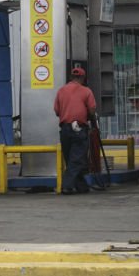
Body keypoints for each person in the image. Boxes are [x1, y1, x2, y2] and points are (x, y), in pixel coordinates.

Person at [54, 67, 97, 195]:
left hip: (65, 129)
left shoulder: (61, 91)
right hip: (79, 128)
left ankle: (82, 187)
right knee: (76, 160)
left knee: (71, 159)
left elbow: (56, 111)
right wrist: (92, 122)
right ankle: (66, 186)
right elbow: (92, 110)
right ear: (83, 78)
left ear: (71, 77)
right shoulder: (86, 91)